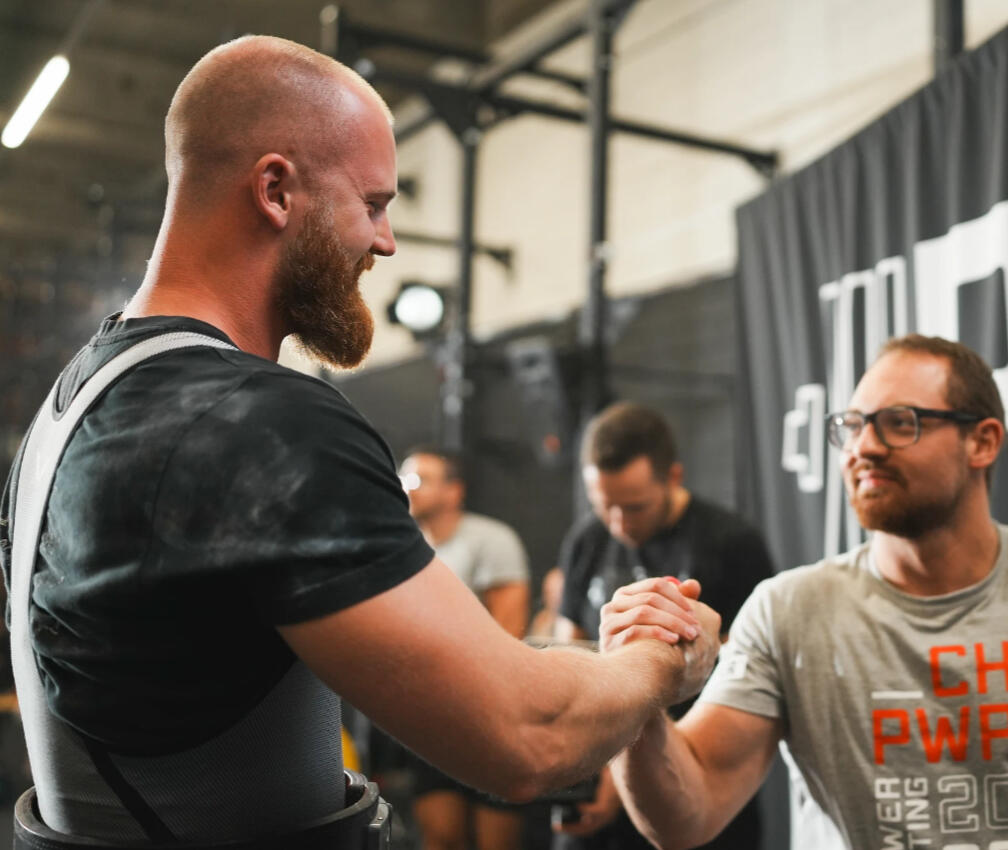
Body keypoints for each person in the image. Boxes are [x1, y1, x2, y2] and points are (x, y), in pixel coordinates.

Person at [0, 35, 718, 849]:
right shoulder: (258, 422)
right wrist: (666, 664)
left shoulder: (71, 406)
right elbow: (527, 738)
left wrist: (590, 660)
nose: (384, 243)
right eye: (373, 204)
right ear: (275, 190)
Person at [600, 335, 1008, 850]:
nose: (863, 447)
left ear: (982, 441)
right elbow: (687, 816)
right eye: (852, 425)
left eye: (898, 423)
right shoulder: (787, 611)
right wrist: (637, 692)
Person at [553, 402, 774, 850]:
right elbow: (570, 647)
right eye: (605, 507)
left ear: (672, 477)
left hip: (692, 768)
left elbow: (745, 670)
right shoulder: (587, 539)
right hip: (599, 765)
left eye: (633, 508)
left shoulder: (730, 544)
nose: (618, 524)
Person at [399, 448, 531, 850]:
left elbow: (509, 632)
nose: (409, 489)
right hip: (430, 714)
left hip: (490, 713)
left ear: (453, 491)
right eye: (405, 479)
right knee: (440, 839)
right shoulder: (403, 545)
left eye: (421, 480)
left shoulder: (492, 540)